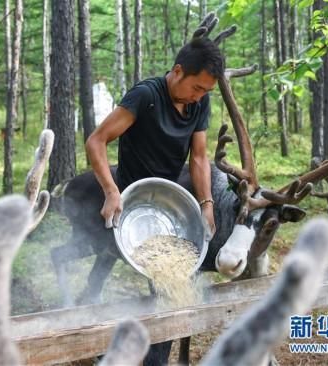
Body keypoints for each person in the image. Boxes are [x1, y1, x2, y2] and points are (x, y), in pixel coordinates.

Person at [84, 37, 224, 365]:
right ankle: (102, 345)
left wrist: (206, 203)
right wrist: (110, 190)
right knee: (107, 264)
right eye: (197, 88)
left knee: (169, 291)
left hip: (166, 202)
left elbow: (200, 157)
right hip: (129, 202)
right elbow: (96, 140)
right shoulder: (146, 96)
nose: (199, 96)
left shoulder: (199, 104)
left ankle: (153, 358)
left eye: (206, 91)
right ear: (177, 71)